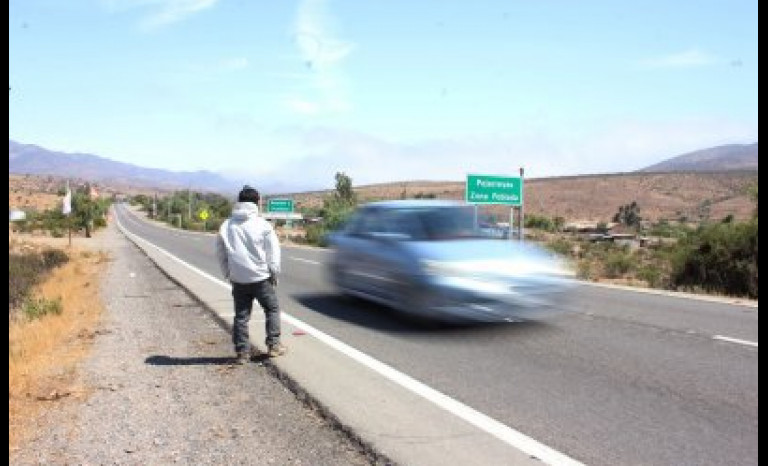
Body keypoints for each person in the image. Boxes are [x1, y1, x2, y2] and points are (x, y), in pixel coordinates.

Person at [216, 185, 286, 363]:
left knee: (241, 315)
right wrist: (274, 274)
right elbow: (273, 253)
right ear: (257, 202)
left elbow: (221, 253)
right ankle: (274, 345)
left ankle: (242, 353)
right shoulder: (263, 225)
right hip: (261, 278)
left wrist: (229, 274)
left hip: (238, 279)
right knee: (272, 309)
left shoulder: (227, 225)